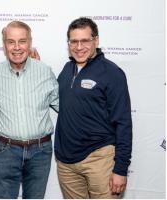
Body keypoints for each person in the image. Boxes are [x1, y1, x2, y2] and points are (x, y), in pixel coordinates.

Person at [55, 17, 132, 199]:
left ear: (96, 41)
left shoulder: (112, 73)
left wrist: (120, 169)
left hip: (99, 159)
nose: (79, 47)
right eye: (74, 41)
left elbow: (123, 123)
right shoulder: (67, 69)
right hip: (66, 164)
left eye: (85, 41)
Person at [0, 21, 59, 199]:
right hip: (6, 150)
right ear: (4, 45)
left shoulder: (45, 71)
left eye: (22, 41)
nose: (17, 47)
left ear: (30, 43)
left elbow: (64, 107)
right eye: (11, 41)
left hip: (41, 151)